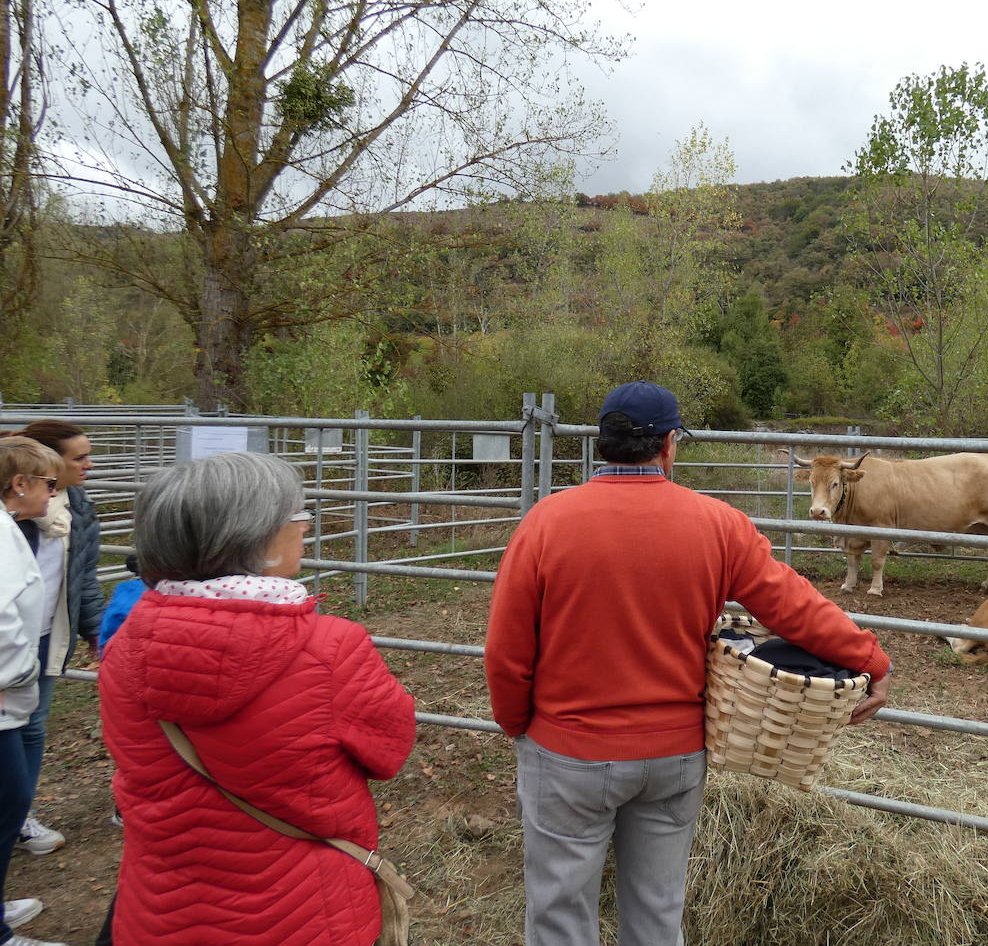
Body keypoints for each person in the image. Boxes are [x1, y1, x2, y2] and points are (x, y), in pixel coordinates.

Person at [485, 381, 892, 946]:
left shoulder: (546, 523)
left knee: (558, 912)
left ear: (603, 444)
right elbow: (794, 605)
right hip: (673, 756)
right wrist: (869, 658)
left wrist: (516, 725)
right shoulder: (718, 525)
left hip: (568, 752)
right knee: (657, 913)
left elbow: (507, 649)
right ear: (670, 445)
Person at [99, 451, 416, 945]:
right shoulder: (330, 649)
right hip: (304, 912)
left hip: (161, 911)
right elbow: (389, 753)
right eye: (296, 516)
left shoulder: (126, 647)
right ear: (254, 539)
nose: (306, 526)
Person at [11, 421, 104, 860]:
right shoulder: (16, 512)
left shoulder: (78, 507)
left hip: (46, 633)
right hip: (7, 635)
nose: (88, 464)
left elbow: (82, 576)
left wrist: (94, 630)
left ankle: (17, 816)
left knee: (32, 726)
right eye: (78, 457)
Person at [1, 436, 70, 946]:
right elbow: (4, 621)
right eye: (48, 483)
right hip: (3, 696)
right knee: (10, 799)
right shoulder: (3, 538)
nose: (54, 492)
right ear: (18, 484)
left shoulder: (11, 530)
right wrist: (18, 673)